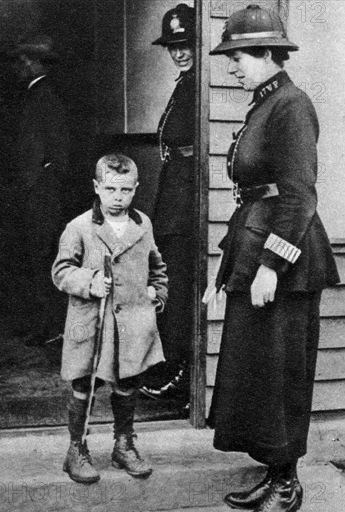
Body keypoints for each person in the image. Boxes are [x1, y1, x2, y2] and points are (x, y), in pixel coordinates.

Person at [207, 5, 340, 512]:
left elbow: (299, 196)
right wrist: (227, 269)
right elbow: (253, 197)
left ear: (267, 54)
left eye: (237, 57)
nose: (232, 68)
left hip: (287, 260)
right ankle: (274, 470)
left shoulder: (292, 106)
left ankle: (288, 486)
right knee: (259, 373)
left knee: (281, 376)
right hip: (255, 245)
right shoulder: (265, 105)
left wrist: (270, 267)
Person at [52, 154, 168, 484]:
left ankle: (123, 445)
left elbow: (158, 268)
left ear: (136, 189)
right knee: (84, 383)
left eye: (126, 190)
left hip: (131, 323)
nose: (118, 197)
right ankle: (76, 449)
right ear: (97, 187)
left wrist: (156, 294)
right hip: (92, 323)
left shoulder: (142, 225)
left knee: (128, 382)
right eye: (111, 189)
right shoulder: (79, 227)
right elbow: (60, 272)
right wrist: (89, 282)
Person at [140, 4, 195, 402]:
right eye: (173, 46)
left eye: (186, 43)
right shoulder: (184, 84)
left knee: (179, 291)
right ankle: (170, 366)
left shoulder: (197, 87)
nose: (179, 52)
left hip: (189, 204)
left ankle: (180, 373)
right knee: (169, 287)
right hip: (174, 200)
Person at [9, 34, 70, 345]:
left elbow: (59, 154)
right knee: (35, 257)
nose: (20, 67)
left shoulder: (45, 98)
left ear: (33, 63)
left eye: (23, 61)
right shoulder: (34, 97)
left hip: (43, 195)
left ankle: (50, 327)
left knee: (43, 257)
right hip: (35, 194)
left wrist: (42, 182)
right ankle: (42, 324)